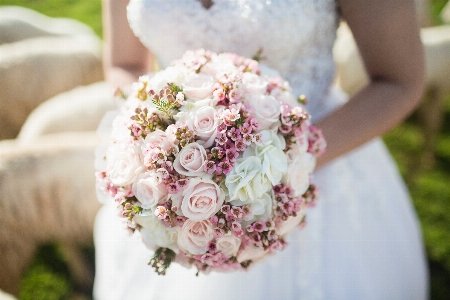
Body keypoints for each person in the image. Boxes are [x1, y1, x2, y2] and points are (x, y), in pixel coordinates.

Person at [94, 0, 429, 299]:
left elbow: (398, 80)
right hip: (168, 186)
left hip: (321, 164)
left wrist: (290, 160)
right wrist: (149, 144)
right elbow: (126, 63)